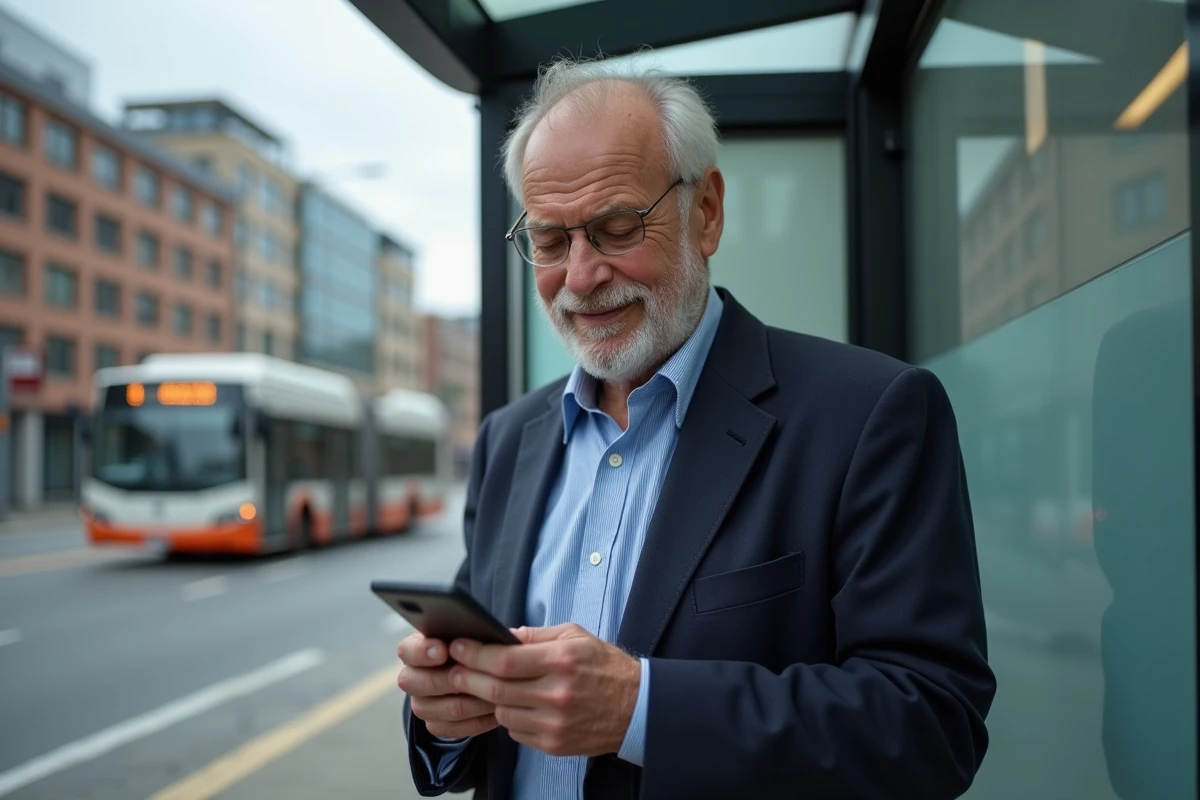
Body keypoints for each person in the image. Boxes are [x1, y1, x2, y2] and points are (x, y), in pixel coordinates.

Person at [396, 55, 996, 800]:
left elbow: (931, 724)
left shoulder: (872, 414)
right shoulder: (507, 440)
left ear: (705, 211)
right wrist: (446, 713)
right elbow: (471, 702)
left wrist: (638, 709)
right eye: (550, 241)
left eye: (616, 228)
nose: (580, 277)